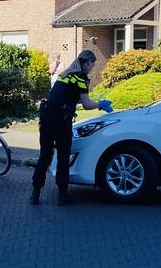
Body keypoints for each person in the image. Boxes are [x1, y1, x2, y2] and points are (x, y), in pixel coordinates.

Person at [31, 49, 113, 206]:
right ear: (87, 62)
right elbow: (87, 104)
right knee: (63, 157)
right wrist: (100, 105)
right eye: (92, 64)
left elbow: (67, 98)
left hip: (46, 119)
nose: (92, 67)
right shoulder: (80, 77)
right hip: (61, 122)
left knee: (45, 156)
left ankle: (35, 194)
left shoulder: (66, 74)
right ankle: (63, 196)